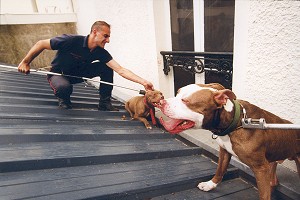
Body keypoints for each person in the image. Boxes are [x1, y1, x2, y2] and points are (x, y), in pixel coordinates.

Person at [18, 21, 154, 111]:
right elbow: (41, 43)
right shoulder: (71, 40)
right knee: (64, 87)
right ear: (94, 32)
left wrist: (144, 82)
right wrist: (26, 62)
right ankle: (64, 101)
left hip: (79, 74)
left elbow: (121, 70)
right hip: (59, 74)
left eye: (108, 37)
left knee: (106, 67)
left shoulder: (100, 52)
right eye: (105, 36)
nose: (108, 40)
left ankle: (104, 103)